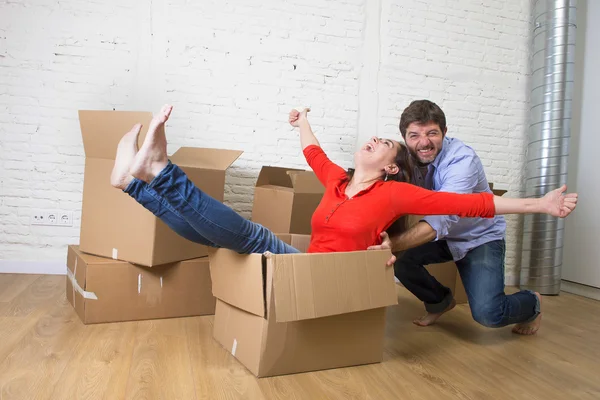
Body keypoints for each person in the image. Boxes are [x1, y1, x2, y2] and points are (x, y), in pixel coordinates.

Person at [109, 104, 577, 267]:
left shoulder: (396, 193)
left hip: (322, 273)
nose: (373, 141)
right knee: (208, 236)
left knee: (247, 236)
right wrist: (304, 120)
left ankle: (159, 171)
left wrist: (542, 204)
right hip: (304, 260)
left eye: (384, 145)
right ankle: (134, 185)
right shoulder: (340, 181)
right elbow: (313, 153)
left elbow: (474, 204)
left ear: (393, 167)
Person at [380, 99, 561, 335]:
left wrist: (391, 245)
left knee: (489, 314)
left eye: (432, 133)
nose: (423, 142)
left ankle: (531, 302)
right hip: (444, 236)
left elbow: (444, 217)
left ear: (444, 132)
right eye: (414, 135)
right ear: (405, 137)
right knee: (401, 260)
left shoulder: (462, 160)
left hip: (479, 237)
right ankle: (439, 301)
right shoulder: (405, 158)